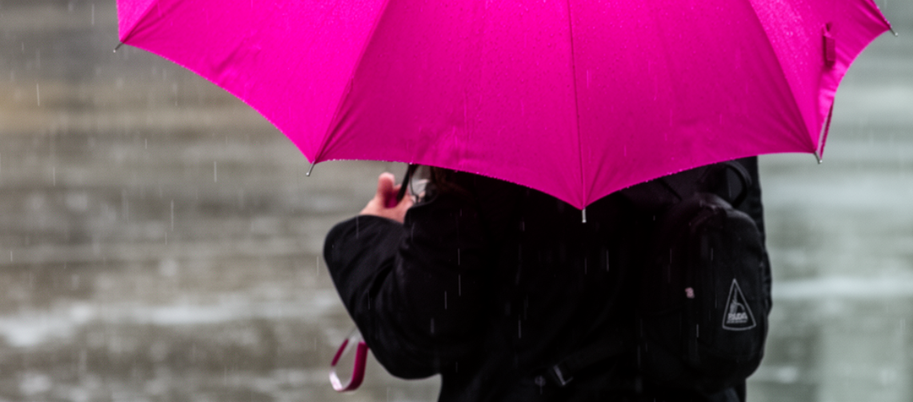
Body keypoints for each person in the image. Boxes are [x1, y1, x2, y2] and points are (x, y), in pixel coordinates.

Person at [323, 159, 769, 402]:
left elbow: (421, 333)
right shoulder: (711, 109)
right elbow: (745, 305)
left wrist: (368, 236)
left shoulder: (480, 123)